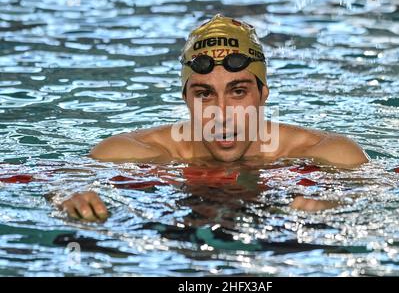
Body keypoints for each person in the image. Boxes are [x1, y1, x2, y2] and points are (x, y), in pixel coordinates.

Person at [59, 14, 368, 221]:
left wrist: (337, 207)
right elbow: (63, 181)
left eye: (238, 92)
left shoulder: (329, 152)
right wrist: (67, 197)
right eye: (204, 94)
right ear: (186, 99)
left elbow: (371, 196)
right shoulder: (129, 151)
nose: (222, 115)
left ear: (263, 94)